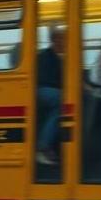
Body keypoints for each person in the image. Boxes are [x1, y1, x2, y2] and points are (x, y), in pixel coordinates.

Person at [36, 24, 65, 165]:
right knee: (61, 100)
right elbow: (45, 79)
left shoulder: (59, 58)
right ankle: (43, 146)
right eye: (63, 39)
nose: (65, 43)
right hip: (40, 90)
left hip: (49, 89)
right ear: (55, 40)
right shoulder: (44, 57)